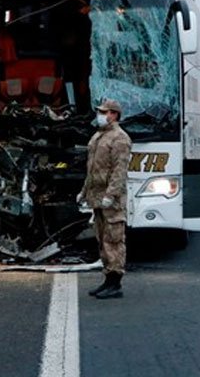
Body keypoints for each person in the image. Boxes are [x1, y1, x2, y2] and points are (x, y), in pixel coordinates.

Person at [77, 99, 132, 299]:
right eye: (100, 111)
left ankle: (115, 282)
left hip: (111, 199)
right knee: (102, 239)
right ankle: (107, 279)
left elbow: (119, 171)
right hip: (97, 197)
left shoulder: (119, 138)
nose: (100, 115)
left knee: (114, 239)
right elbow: (92, 170)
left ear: (114, 114)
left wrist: (111, 195)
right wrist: (84, 192)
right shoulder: (98, 137)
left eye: (105, 111)